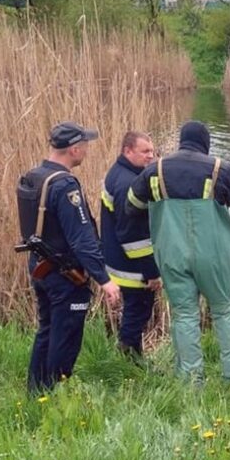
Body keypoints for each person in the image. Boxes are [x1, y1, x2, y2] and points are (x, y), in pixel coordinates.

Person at [121, 121, 230, 384]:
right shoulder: (223, 169)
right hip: (215, 256)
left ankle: (190, 381)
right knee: (224, 310)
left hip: (172, 254)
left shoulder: (155, 171)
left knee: (184, 315)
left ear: (181, 141)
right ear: (206, 143)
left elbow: (131, 206)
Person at [17, 122, 121, 394]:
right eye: (85, 146)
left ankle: (36, 391)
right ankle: (55, 397)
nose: (87, 150)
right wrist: (104, 280)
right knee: (66, 337)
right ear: (74, 149)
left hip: (40, 268)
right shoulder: (65, 186)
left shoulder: (34, 176)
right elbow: (82, 238)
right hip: (65, 275)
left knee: (47, 331)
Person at [100, 131, 160, 359]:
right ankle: (130, 362)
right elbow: (132, 236)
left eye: (152, 152)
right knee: (137, 313)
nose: (150, 156)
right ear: (128, 151)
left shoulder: (118, 173)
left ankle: (132, 358)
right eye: (145, 151)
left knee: (135, 313)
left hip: (118, 260)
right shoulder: (128, 184)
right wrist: (151, 273)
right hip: (132, 268)